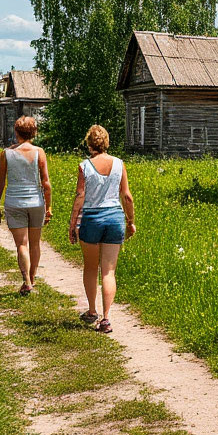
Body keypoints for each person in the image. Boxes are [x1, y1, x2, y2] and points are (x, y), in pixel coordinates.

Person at [68, 124, 135, 333]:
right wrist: (130, 221)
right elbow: (127, 196)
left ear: (89, 144)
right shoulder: (119, 164)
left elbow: (80, 196)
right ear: (106, 142)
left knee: (90, 267)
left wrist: (72, 224)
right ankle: (106, 318)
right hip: (114, 218)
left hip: (91, 218)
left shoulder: (84, 166)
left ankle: (91, 311)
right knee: (109, 271)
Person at [0, 116, 52, 296]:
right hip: (36, 202)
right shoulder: (39, 152)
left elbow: (0, 181)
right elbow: (46, 183)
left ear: (16, 132)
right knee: (35, 243)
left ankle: (26, 280)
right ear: (34, 133)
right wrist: (49, 207)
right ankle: (32, 279)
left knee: (21, 244)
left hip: (14, 201)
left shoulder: (6, 154)